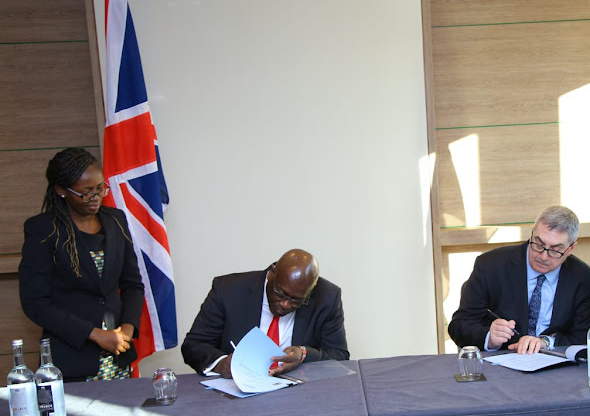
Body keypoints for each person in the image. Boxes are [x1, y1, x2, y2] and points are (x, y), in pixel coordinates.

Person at [19, 148, 144, 381]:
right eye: (85, 193)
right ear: (61, 191)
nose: (95, 197)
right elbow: (35, 303)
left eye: (99, 189)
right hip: (72, 358)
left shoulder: (115, 220)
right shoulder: (43, 230)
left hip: (118, 354)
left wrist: (127, 329)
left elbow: (133, 284)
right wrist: (95, 334)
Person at [448, 205, 590, 353]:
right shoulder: (491, 266)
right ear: (532, 234)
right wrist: (489, 337)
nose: (543, 256)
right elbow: (459, 325)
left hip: (554, 366)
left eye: (555, 250)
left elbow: (583, 336)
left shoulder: (584, 279)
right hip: (501, 362)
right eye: (538, 244)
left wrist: (546, 342)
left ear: (570, 249)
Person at [182, 248, 349, 377]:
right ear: (271, 274)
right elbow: (194, 345)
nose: (284, 304)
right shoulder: (228, 290)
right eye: (280, 293)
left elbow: (339, 356)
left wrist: (303, 354)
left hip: (297, 394)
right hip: (236, 393)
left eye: (296, 300)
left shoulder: (327, 297)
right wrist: (220, 364)